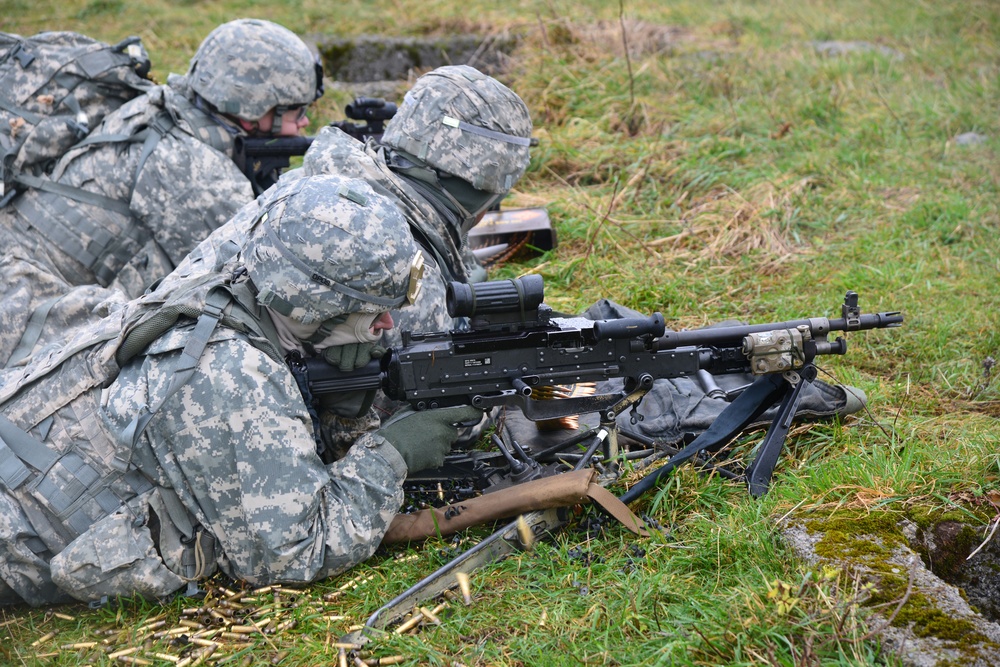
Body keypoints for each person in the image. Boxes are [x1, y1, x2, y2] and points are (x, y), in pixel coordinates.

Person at [0, 174, 482, 607]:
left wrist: (341, 408)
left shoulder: (239, 285)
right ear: (315, 302)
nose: (388, 322)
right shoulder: (232, 373)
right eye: (372, 309)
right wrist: (392, 453)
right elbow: (291, 553)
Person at [0, 18, 323, 367]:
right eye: (297, 111)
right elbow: (266, 280)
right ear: (253, 109)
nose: (305, 123)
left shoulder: (156, 107)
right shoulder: (194, 169)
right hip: (23, 306)